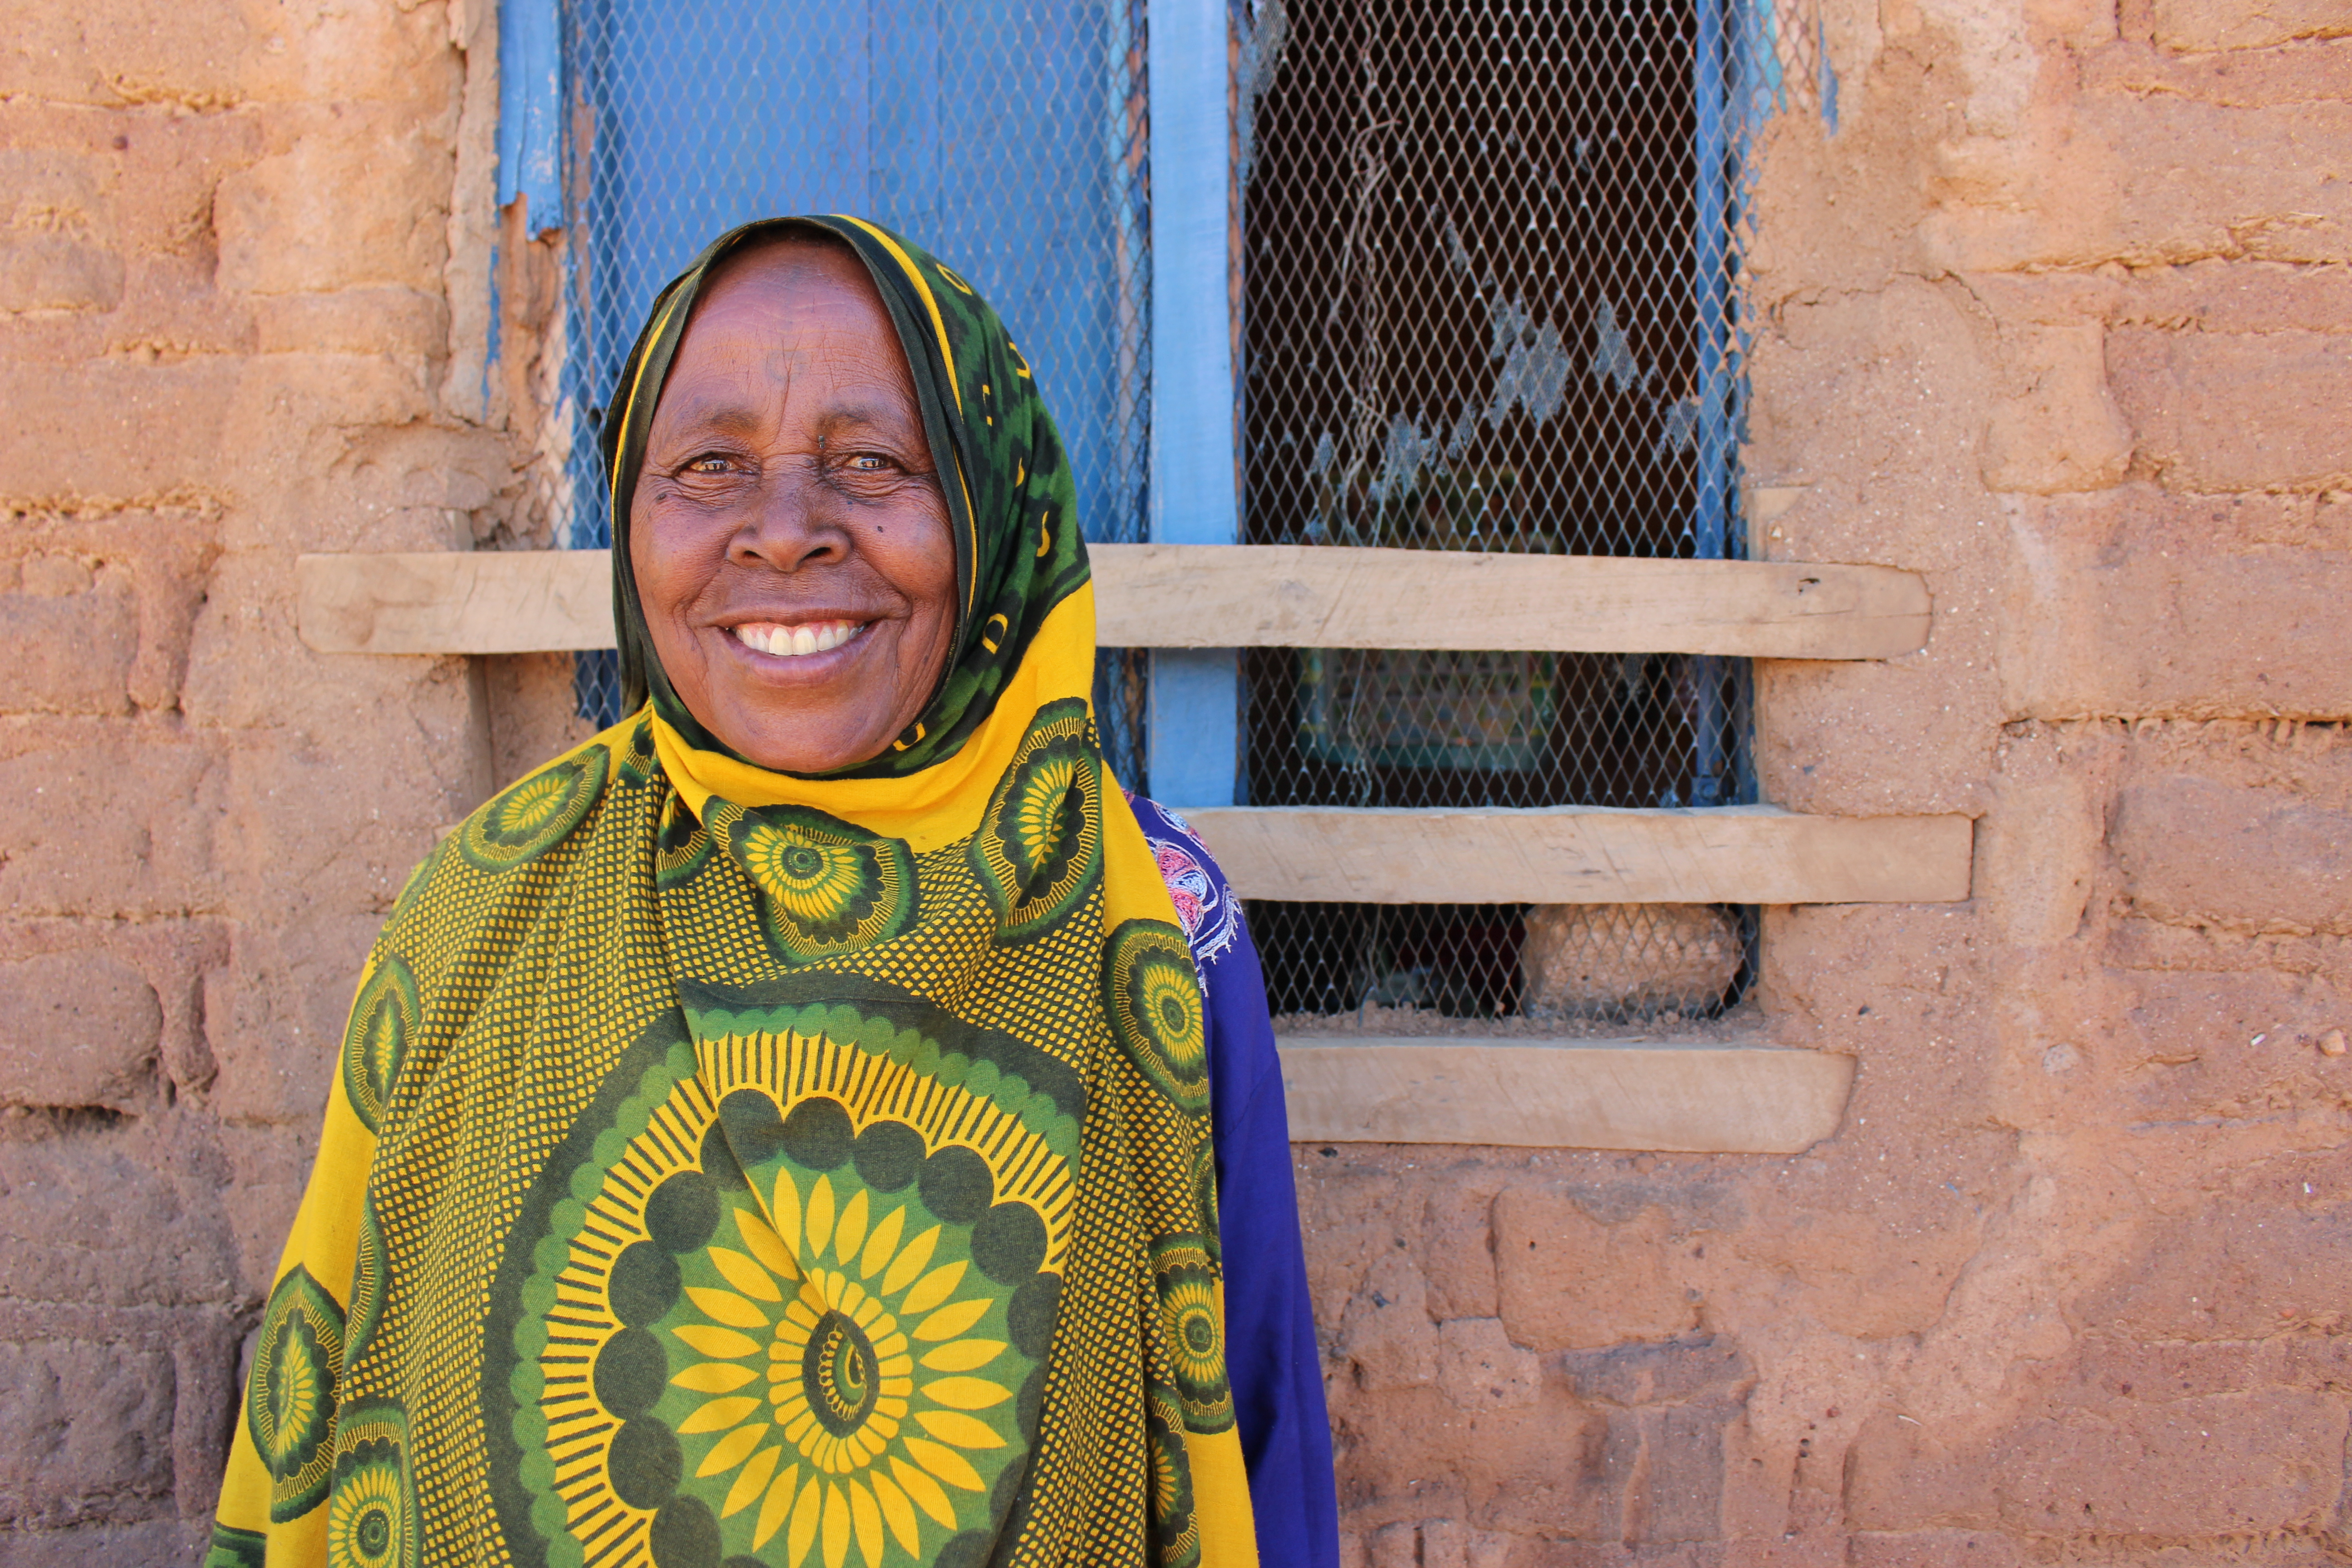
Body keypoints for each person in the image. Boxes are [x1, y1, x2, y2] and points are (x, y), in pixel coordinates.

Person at [207, 216, 1337, 1568]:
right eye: (709, 467)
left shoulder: (1147, 914)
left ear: (995, 500)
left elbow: (1258, 1412)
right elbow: (328, 1368)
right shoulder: (485, 899)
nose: (787, 533)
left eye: (873, 463)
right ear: (630, 513)